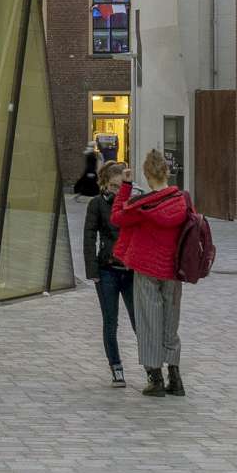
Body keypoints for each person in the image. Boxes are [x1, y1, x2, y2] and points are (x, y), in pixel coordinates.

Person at [109, 150, 195, 397]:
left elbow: (117, 218)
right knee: (171, 323)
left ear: (147, 175)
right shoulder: (182, 200)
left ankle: (155, 378)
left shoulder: (142, 205)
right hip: (173, 270)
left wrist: (125, 186)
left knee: (149, 323)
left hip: (147, 268)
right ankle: (175, 377)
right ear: (167, 172)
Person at [85, 158, 132, 385]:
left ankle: (152, 368)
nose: (117, 190)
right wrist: (92, 270)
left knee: (138, 321)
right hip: (107, 271)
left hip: (131, 270)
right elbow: (89, 237)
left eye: (121, 186)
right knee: (110, 321)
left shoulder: (131, 203)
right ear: (105, 184)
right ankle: (116, 366)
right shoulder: (96, 204)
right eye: (113, 186)